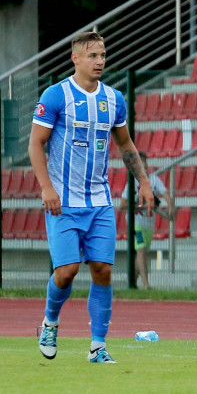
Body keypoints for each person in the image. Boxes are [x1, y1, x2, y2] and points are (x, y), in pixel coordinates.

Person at [32, 31, 154, 365]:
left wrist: (143, 181)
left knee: (102, 270)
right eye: (92, 55)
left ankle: (97, 346)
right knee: (67, 271)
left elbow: (126, 145)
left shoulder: (114, 99)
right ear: (75, 58)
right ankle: (50, 322)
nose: (99, 61)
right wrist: (46, 187)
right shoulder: (56, 96)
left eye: (102, 55)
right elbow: (35, 143)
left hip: (99, 201)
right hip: (63, 201)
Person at [115, 152, 171, 290]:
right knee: (141, 251)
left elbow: (165, 194)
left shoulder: (154, 179)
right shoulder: (132, 182)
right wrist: (143, 206)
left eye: (145, 162)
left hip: (149, 223)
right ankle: (146, 284)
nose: (144, 165)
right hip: (136, 223)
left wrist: (170, 206)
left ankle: (132, 284)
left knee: (142, 251)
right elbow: (123, 205)